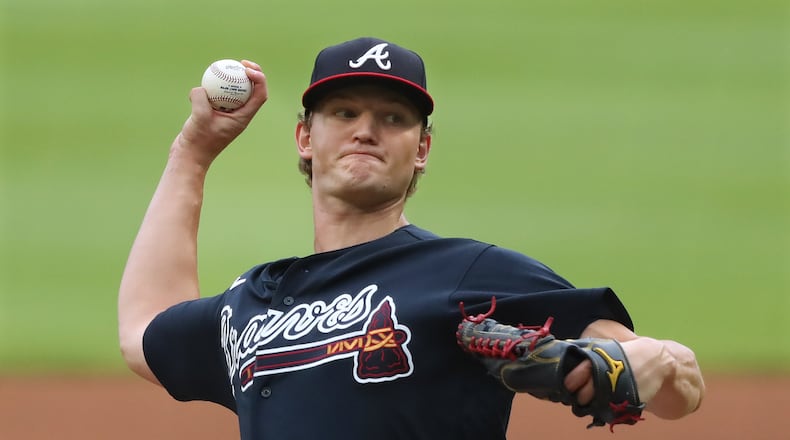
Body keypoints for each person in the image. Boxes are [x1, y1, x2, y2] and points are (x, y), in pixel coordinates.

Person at [118, 37, 704, 439]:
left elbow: (674, 378)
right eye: (344, 113)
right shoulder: (254, 303)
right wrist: (193, 152)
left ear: (421, 148)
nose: (367, 129)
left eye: (393, 118)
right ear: (304, 137)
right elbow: (145, 330)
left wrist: (647, 360)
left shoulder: (467, 272)